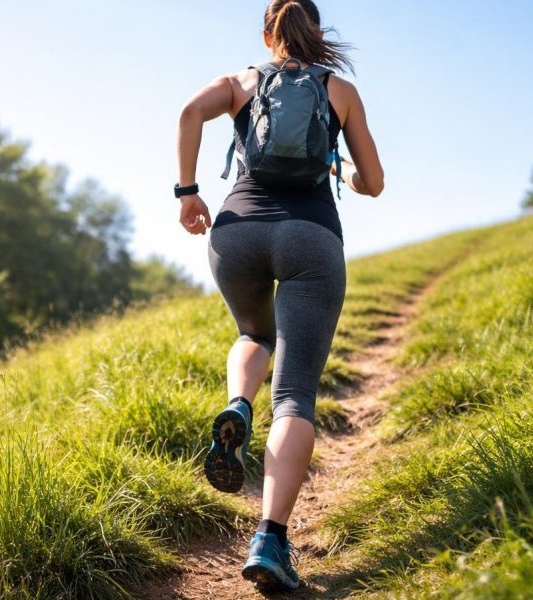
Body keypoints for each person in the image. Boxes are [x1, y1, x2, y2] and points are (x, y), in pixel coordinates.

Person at [174, 0, 383, 591]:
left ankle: (239, 404)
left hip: (237, 231)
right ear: (316, 30)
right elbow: (374, 182)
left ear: (268, 34)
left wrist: (187, 193)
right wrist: (339, 168)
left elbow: (188, 113)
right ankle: (269, 540)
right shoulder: (339, 91)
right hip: (310, 237)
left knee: (253, 332)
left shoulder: (240, 83)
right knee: (293, 397)